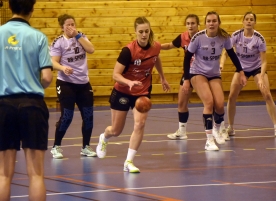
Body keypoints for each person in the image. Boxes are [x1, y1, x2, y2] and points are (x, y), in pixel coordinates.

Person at [96, 16, 170, 173]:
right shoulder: (128, 51)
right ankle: (104, 137)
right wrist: (128, 82)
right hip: (123, 91)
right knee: (116, 130)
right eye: (141, 32)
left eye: (147, 31)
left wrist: (162, 77)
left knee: (140, 124)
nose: (144, 35)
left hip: (142, 92)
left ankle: (128, 161)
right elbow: (115, 74)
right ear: (136, 32)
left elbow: (156, 59)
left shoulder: (156, 46)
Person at [0, 0, 53, 200]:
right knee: (36, 174)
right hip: (32, 105)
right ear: (32, 9)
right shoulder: (38, 37)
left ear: (11, 7)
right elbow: (47, 77)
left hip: (3, 105)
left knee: (4, 175)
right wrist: (33, 84)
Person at [182, 11, 247, 151]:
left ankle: (217, 129)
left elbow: (232, 54)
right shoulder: (198, 38)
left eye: (214, 21)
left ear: (218, 23)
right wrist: (186, 79)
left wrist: (241, 72)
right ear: (205, 23)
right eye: (209, 21)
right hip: (197, 72)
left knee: (219, 105)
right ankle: (209, 140)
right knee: (209, 102)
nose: (211, 23)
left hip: (214, 73)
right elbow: (187, 58)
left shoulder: (224, 37)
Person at [220, 12, 276, 138]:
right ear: (243, 21)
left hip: (256, 68)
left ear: (255, 22)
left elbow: (264, 61)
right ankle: (231, 128)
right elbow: (225, 52)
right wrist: (222, 65)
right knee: (231, 97)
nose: (249, 21)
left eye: (251, 19)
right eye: (247, 19)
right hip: (241, 69)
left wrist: (261, 77)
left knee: (266, 94)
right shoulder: (236, 35)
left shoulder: (259, 38)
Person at [49, 14, 96, 159]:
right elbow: (53, 62)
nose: (71, 27)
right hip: (66, 83)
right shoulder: (59, 42)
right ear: (62, 27)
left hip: (83, 83)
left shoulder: (81, 37)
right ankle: (56, 146)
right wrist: (63, 68)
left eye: (73, 24)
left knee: (88, 116)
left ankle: (86, 147)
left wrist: (77, 36)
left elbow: (91, 49)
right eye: (68, 25)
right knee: (67, 116)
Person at [161, 14, 200, 140]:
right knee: (181, 102)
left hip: (202, 73)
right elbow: (169, 45)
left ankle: (218, 129)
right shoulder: (183, 37)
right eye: (188, 23)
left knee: (210, 103)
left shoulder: (203, 37)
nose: (190, 25)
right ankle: (182, 131)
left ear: (198, 25)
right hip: (188, 72)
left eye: (193, 23)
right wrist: (155, 46)